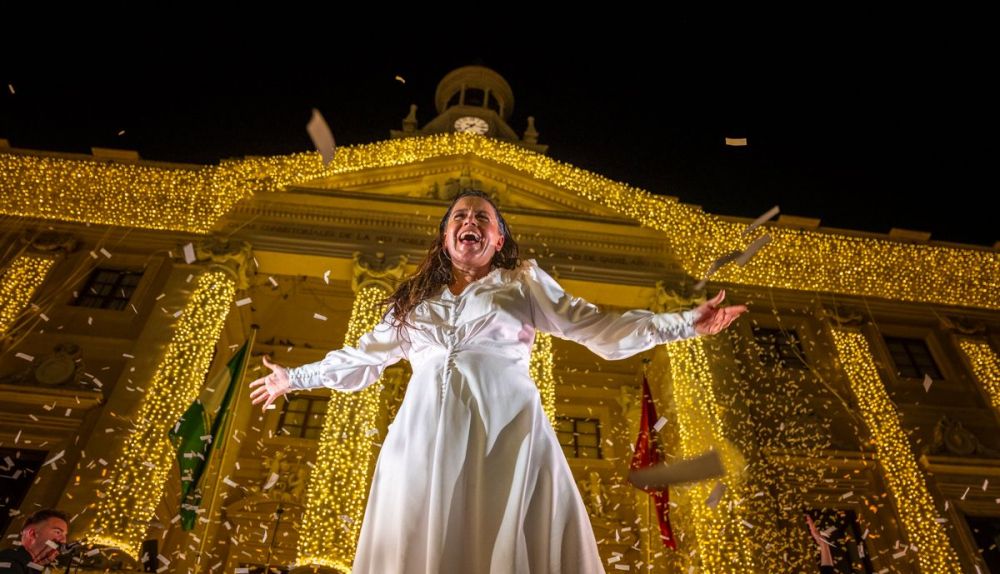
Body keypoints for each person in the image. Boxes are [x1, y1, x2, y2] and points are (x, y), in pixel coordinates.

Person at [250, 190, 746, 573]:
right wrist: (294, 377)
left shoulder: (521, 281)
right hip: (422, 437)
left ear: (499, 239)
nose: (470, 221)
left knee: (502, 532)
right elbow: (362, 358)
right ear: (446, 237)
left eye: (482, 217)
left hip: (504, 429)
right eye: (459, 217)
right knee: (421, 535)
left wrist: (685, 322)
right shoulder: (412, 303)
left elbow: (597, 328)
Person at [0, 509, 69, 573]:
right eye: (57, 532)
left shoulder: (30, 567)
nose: (64, 541)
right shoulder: (9, 561)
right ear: (32, 534)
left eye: (65, 535)